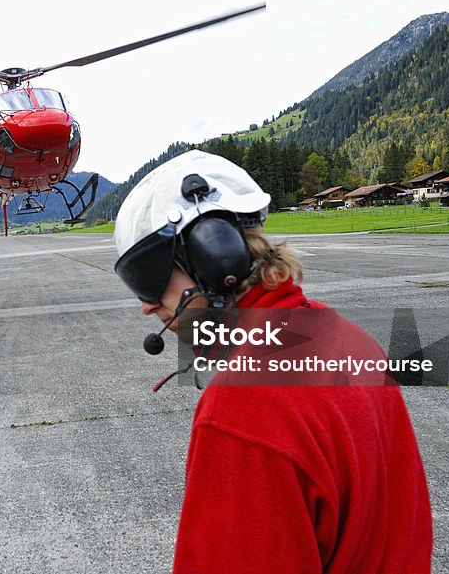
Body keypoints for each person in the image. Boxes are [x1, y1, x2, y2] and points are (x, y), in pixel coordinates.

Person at [113, 150, 432, 573]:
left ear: (215, 259)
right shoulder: (350, 340)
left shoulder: (242, 412)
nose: (147, 306)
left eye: (147, 277)